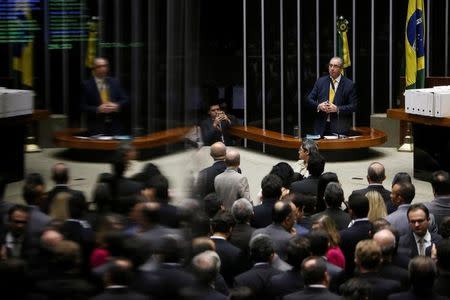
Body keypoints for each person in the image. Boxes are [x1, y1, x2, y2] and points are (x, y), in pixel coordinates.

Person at [306, 56, 358, 136]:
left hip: (339, 128)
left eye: (335, 66)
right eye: (330, 65)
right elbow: (309, 99)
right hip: (320, 127)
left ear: (341, 69)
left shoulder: (349, 85)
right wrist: (319, 106)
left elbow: (354, 106)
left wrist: (337, 109)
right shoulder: (321, 81)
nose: (332, 68)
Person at [81, 57, 129, 135]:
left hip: (115, 126)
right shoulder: (86, 85)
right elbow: (82, 106)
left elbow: (126, 99)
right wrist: (97, 109)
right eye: (99, 66)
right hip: (96, 127)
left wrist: (117, 105)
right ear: (94, 69)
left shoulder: (115, 82)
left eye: (105, 66)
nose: (103, 68)